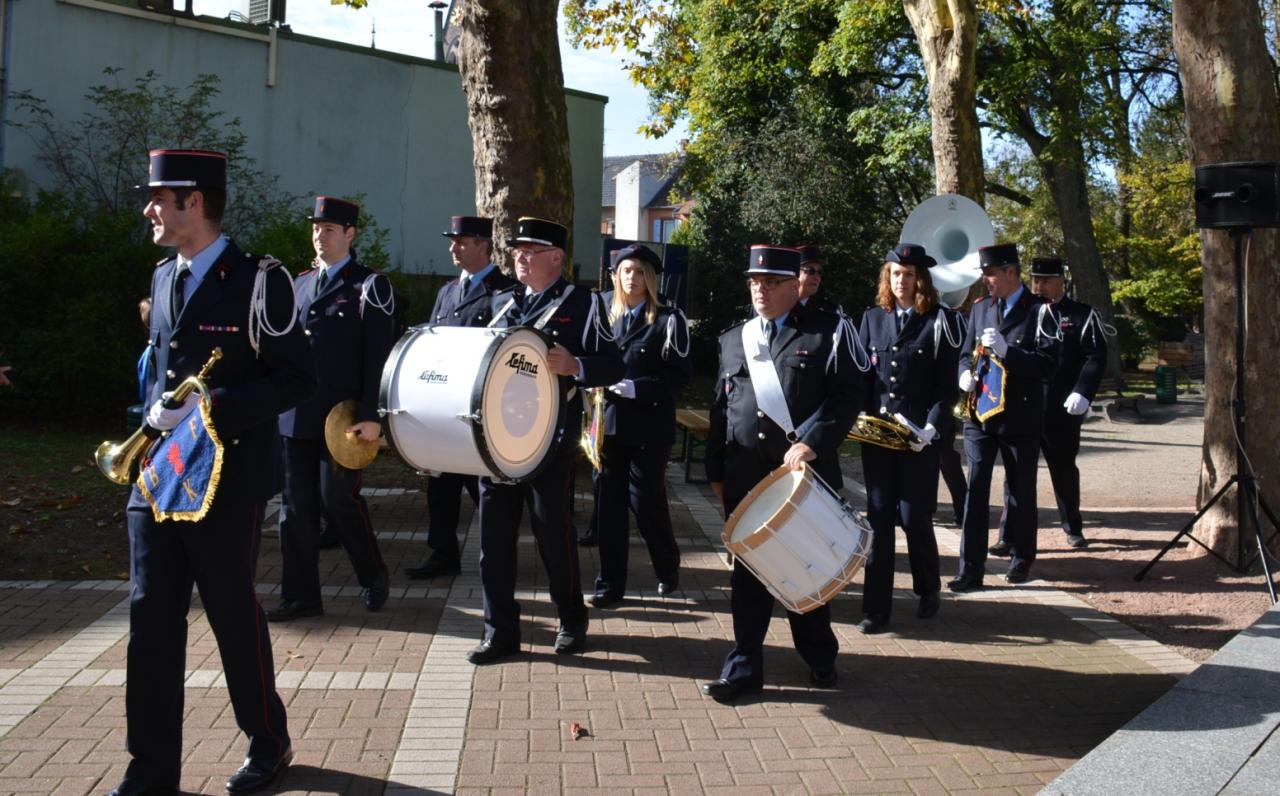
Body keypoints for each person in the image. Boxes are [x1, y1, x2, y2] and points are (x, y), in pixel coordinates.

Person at [113, 149, 315, 796]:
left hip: (228, 481)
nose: (149, 208)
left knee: (232, 614)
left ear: (192, 202)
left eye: (158, 197)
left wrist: (218, 407)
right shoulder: (163, 275)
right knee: (149, 618)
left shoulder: (261, 279)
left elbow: (296, 379)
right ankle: (151, 772)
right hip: (161, 474)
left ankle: (269, 740)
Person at [702, 245, 860, 702]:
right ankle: (743, 669)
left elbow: (848, 396)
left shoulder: (828, 332)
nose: (761, 290)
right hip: (745, 477)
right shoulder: (736, 338)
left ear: (795, 285)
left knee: (802, 569)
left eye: (771, 283)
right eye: (755, 282)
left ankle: (819, 655)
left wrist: (813, 439)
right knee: (747, 576)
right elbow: (721, 408)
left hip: (802, 479)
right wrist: (715, 468)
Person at [466, 217, 625, 665]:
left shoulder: (583, 304)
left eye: (531, 250)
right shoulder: (499, 303)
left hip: (547, 440)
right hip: (493, 438)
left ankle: (572, 618)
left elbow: (615, 366)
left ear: (556, 257)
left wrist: (577, 365)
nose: (519, 256)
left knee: (551, 532)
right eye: (517, 250)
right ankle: (499, 633)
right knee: (492, 539)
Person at [270, 196, 394, 621]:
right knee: (295, 510)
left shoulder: (369, 286)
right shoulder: (301, 282)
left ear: (350, 234)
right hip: (296, 414)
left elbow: (378, 356)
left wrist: (373, 415)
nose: (319, 236)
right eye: (315, 229)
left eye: (328, 230)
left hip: (342, 417)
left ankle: (372, 572)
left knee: (337, 499)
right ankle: (301, 596)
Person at [855, 243, 960, 633]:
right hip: (879, 437)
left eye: (910, 275)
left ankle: (928, 587)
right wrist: (860, 416)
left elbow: (948, 386)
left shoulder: (938, 321)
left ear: (921, 280)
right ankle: (875, 609)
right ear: (888, 277)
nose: (902, 281)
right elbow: (864, 376)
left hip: (919, 438)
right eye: (896, 274)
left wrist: (933, 427)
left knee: (915, 517)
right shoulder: (870, 319)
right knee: (879, 519)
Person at [404, 215, 516, 579]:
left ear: (484, 247)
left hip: (479, 407)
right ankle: (443, 552)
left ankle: (500, 556)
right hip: (445, 404)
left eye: (462, 242)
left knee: (487, 488)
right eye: (452, 242)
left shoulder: (505, 292)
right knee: (441, 484)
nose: (453, 248)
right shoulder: (448, 291)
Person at [949, 243, 1060, 591]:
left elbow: (1049, 364)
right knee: (975, 491)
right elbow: (965, 353)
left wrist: (1008, 352)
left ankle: (1022, 558)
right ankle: (970, 570)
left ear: (1011, 272)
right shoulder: (981, 308)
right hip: (980, 415)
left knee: (1020, 490)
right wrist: (963, 374)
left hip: (1019, 415)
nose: (986, 280)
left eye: (991, 273)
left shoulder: (1041, 311)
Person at [589, 243, 690, 608]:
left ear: (650, 278)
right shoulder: (599, 310)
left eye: (639, 272)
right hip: (607, 427)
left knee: (646, 501)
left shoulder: (668, 318)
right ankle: (610, 582)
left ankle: (666, 566)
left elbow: (680, 376)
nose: (631, 278)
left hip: (648, 426)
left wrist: (637, 388)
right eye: (625, 271)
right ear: (615, 275)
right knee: (608, 506)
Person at [991, 257, 1106, 553]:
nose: (1039, 286)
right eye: (1035, 280)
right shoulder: (1022, 313)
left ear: (1061, 281)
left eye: (1046, 280)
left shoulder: (1081, 315)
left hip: (1060, 408)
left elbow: (1095, 357)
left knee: (1063, 468)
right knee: (1015, 473)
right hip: (1022, 406)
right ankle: (1008, 533)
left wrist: (1083, 391)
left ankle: (1073, 526)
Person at [796, 244, 839, 314]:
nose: (816, 277)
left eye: (819, 272)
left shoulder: (829, 312)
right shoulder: (778, 307)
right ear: (794, 273)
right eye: (811, 271)